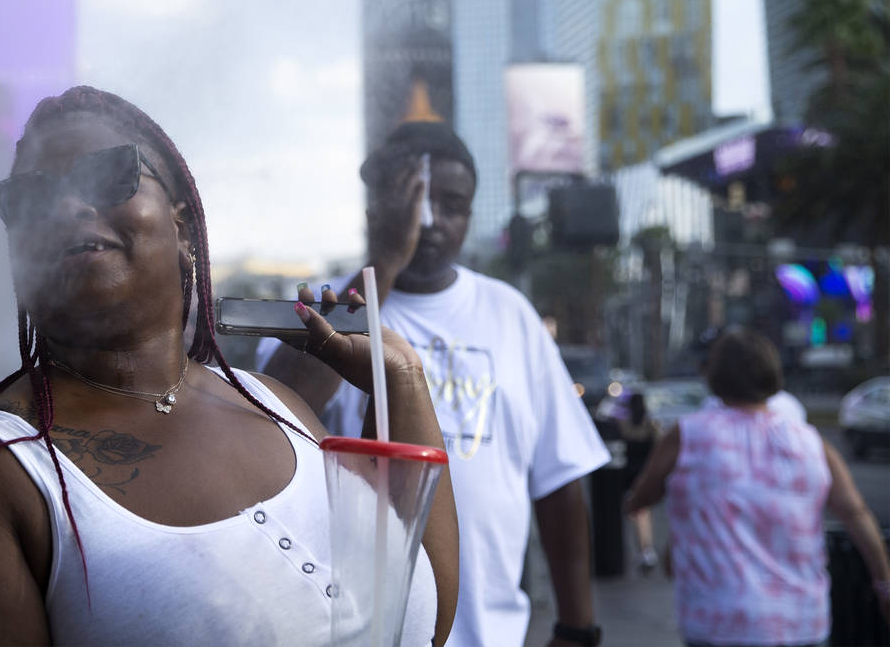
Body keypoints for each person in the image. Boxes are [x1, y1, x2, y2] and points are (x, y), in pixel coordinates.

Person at [0, 86, 459, 645]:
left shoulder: (277, 406)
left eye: (104, 175)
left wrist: (402, 379)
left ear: (179, 223)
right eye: (31, 198)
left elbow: (417, 621)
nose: (67, 206)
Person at [259, 121, 609, 647]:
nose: (433, 221)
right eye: (416, 202)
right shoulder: (329, 309)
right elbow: (271, 418)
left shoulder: (509, 314)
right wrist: (384, 262)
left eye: (453, 204)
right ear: (377, 206)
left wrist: (577, 628)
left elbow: (558, 480)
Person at [626, 328, 890, 647]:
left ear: (714, 375)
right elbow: (855, 513)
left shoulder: (688, 436)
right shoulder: (810, 441)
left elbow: (644, 495)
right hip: (800, 623)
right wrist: (883, 583)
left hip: (717, 623)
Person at [617, 391, 658, 573]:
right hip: (645, 473)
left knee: (636, 513)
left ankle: (645, 550)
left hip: (628, 476)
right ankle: (645, 549)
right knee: (641, 513)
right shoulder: (650, 426)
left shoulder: (624, 426)